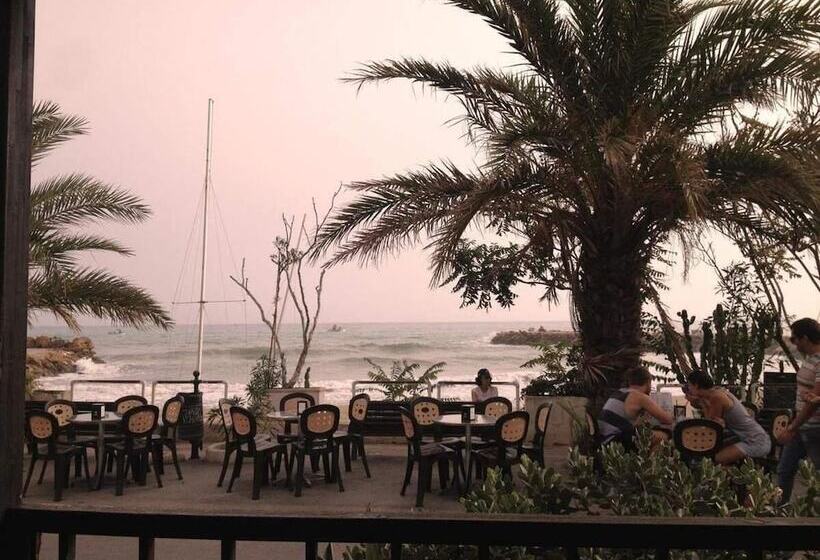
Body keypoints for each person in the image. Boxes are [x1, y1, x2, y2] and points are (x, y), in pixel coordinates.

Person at [686, 369, 771, 464]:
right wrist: (701, 401)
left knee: (714, 460)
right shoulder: (716, 392)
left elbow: (710, 427)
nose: (688, 389)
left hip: (755, 442)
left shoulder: (717, 397)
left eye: (689, 385)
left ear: (696, 385)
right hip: (746, 438)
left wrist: (701, 403)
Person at [777, 318, 820, 503]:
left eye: (794, 339)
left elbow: (813, 402)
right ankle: (779, 511)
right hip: (801, 425)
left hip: (814, 428)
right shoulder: (811, 359)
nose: (793, 344)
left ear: (805, 338)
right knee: (784, 470)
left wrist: (792, 428)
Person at [598, 366, 674, 450]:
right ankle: (652, 463)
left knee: (647, 433)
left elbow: (627, 424)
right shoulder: (639, 396)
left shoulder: (619, 392)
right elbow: (667, 419)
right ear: (648, 382)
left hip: (602, 440)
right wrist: (669, 410)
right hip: (614, 441)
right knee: (664, 435)